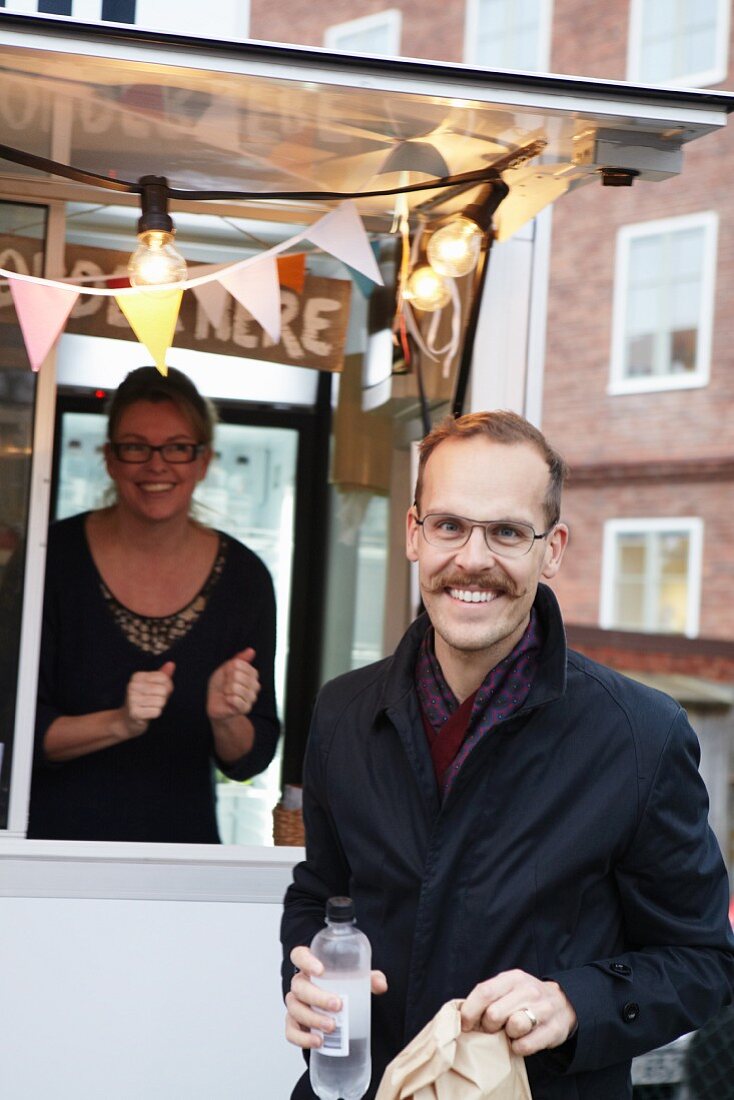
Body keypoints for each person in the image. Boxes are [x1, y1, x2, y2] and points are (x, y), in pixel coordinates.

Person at [281, 411, 734, 1100]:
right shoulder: (344, 712)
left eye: (507, 532)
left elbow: (703, 962)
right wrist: (306, 978)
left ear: (551, 549)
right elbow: (321, 893)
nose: (472, 559)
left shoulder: (640, 734)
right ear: (413, 533)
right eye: (450, 526)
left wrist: (576, 1002)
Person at [28, 366, 279, 843]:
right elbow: (16, 732)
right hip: (48, 853)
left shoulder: (244, 578)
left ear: (203, 461)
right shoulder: (51, 559)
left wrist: (226, 719)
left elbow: (252, 756)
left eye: (178, 447)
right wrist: (120, 722)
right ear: (110, 458)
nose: (156, 465)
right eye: (136, 446)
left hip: (182, 861)